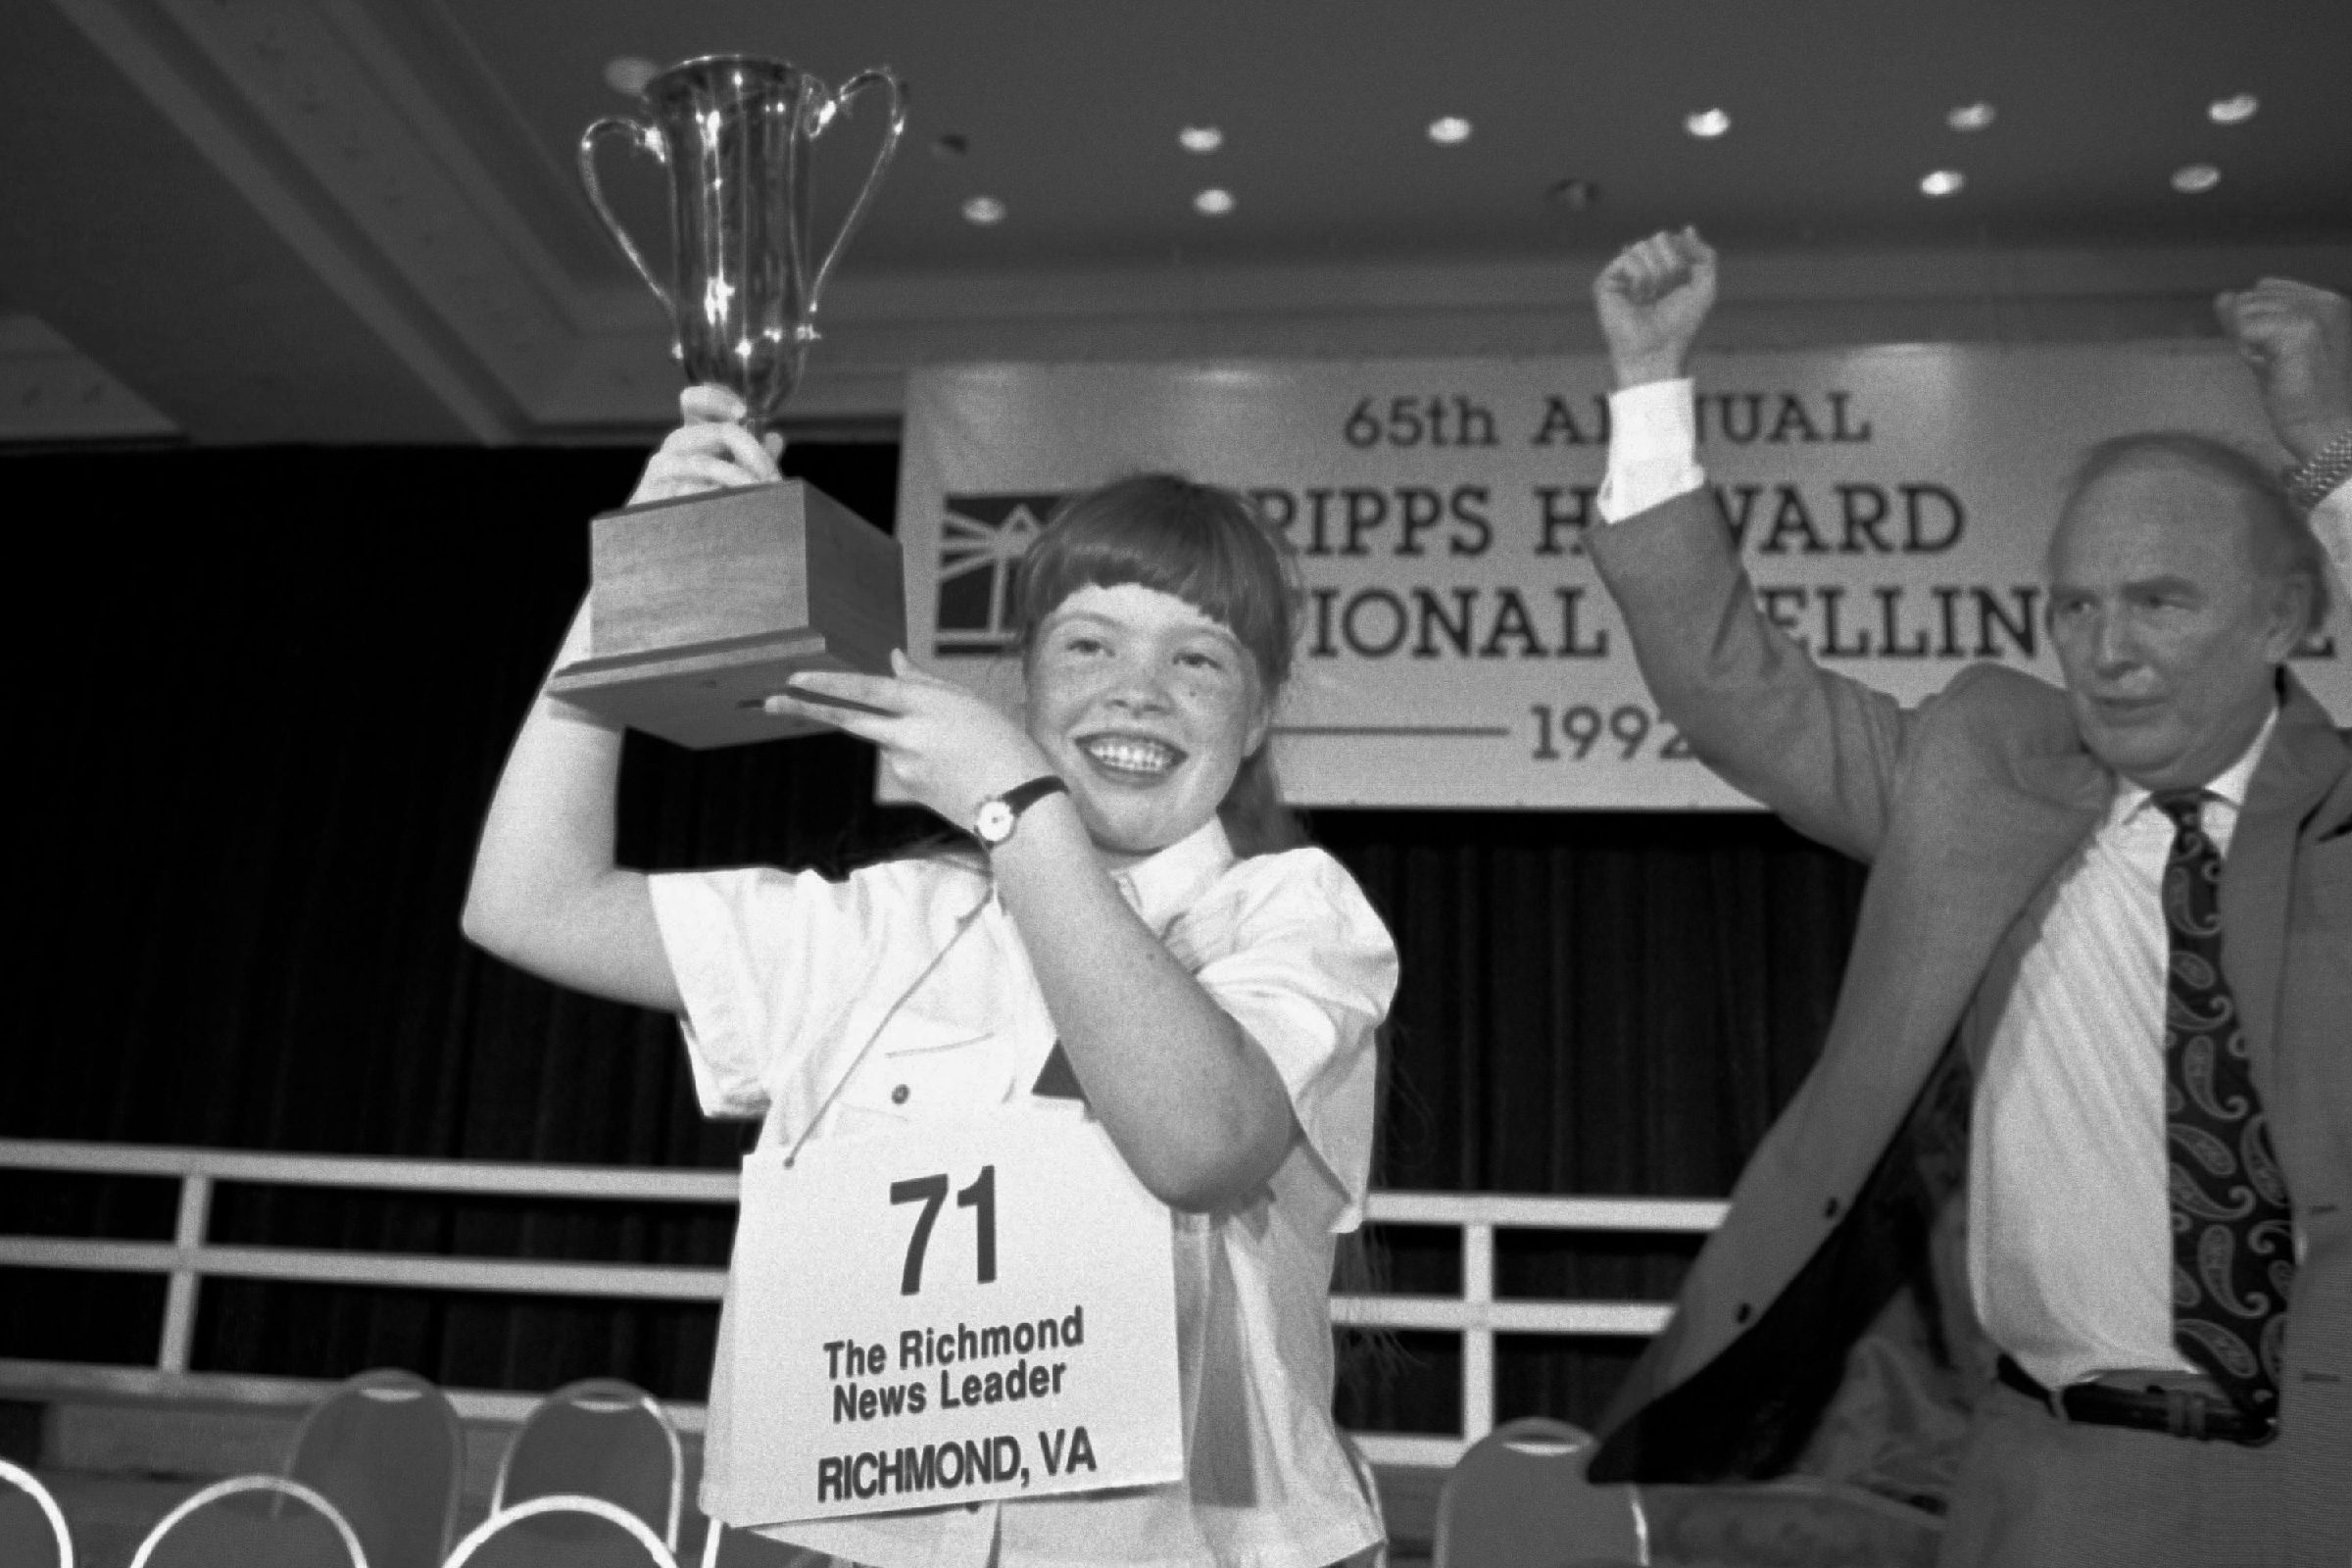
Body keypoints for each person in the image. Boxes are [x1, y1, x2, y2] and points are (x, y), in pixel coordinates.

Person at [462, 390, 1396, 1568]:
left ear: (1259, 715)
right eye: (1089, 644)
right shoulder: (885, 928)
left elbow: (1199, 1145)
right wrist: (628, 598)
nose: (1137, 690)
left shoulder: (1293, 916)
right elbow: (529, 903)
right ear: (1028, 679)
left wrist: (1023, 811)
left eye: (1198, 659)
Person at [1575, 232, 2352, 1567]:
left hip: (2322, 1470)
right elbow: (1732, 686)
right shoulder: (1991, 781)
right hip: (2046, 1471)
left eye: (2159, 602)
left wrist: (2333, 449)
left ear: (2281, 621)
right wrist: (1650, 379)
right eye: (2075, 609)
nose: (2106, 653)